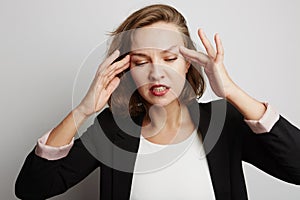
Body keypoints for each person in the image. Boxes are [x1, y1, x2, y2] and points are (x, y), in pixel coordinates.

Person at [15, 4, 300, 200]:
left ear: (188, 62)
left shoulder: (224, 122)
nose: (156, 73)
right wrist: (84, 110)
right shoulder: (113, 131)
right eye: (141, 61)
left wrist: (232, 92)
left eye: (169, 58)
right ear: (127, 69)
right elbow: (32, 188)